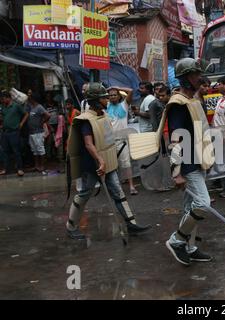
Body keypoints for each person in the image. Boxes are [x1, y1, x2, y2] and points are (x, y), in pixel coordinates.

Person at [66, 82, 150, 240]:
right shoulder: (86, 120)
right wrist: (100, 160)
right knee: (85, 194)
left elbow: (106, 139)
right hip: (92, 165)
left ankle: (131, 224)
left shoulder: (103, 116)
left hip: (108, 162)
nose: (107, 100)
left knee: (118, 193)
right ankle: (71, 226)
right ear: (96, 100)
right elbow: (88, 144)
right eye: (104, 97)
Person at [165, 58, 215, 266]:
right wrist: (176, 172)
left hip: (199, 160)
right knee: (203, 204)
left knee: (190, 209)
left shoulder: (193, 100)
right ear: (186, 78)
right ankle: (176, 240)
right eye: (195, 75)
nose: (199, 78)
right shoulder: (177, 104)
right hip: (187, 164)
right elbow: (176, 137)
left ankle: (190, 247)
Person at [106, 87, 138, 195]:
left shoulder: (124, 105)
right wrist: (107, 90)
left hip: (122, 140)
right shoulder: (106, 106)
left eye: (115, 94)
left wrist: (116, 87)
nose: (113, 96)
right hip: (110, 140)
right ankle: (116, 187)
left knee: (126, 164)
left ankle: (131, 186)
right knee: (112, 165)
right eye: (110, 95)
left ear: (119, 96)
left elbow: (131, 91)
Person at [0, 90, 28, 176]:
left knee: (16, 151)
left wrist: (21, 124)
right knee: (5, 152)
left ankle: (20, 169)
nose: (2, 100)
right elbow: (3, 117)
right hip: (5, 132)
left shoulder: (16, 106)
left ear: (8, 98)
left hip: (14, 132)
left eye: (3, 99)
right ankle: (5, 169)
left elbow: (26, 114)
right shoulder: (3, 107)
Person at [26, 92, 50, 174]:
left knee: (40, 149)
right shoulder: (30, 107)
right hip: (31, 132)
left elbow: (48, 115)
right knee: (34, 150)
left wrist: (42, 121)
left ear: (33, 99)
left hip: (38, 132)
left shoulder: (39, 107)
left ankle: (42, 166)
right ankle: (37, 166)